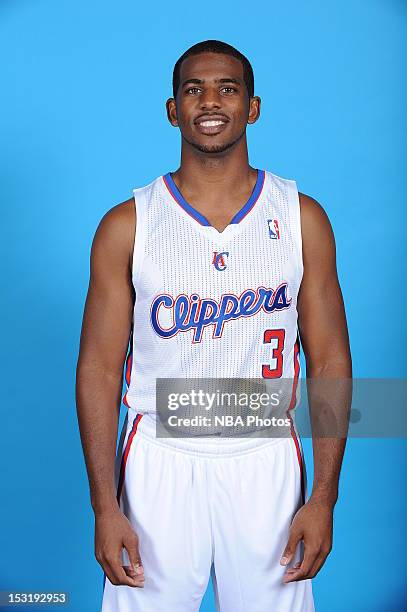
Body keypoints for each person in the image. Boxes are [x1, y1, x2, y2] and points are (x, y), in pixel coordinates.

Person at [76, 39, 352, 612]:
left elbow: (329, 362)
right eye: (193, 89)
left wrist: (323, 497)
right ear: (172, 109)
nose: (210, 101)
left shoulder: (302, 217)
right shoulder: (129, 224)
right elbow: (99, 369)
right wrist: (105, 506)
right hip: (159, 454)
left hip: (265, 455)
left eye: (228, 88)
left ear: (252, 107)